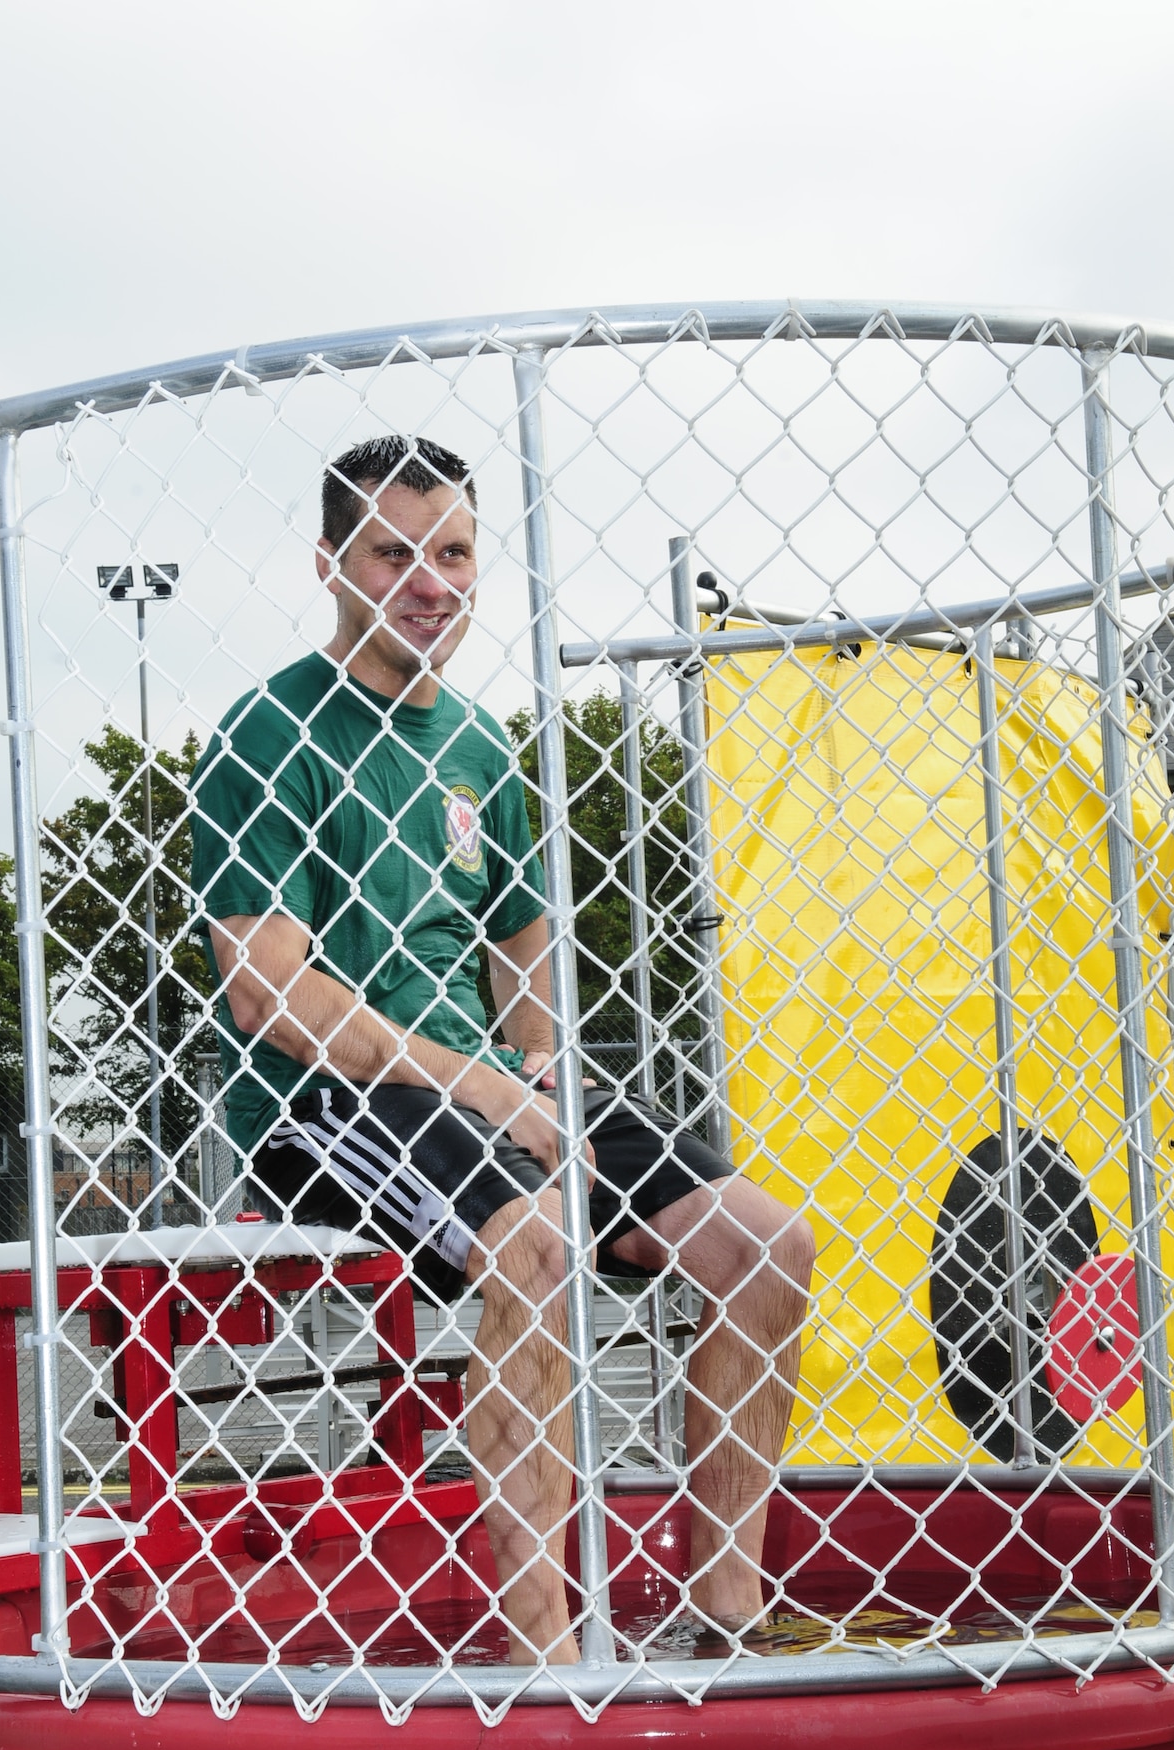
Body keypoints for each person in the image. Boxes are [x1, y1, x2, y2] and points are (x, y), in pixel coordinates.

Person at [191, 434, 814, 1665]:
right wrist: (478, 1080)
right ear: (330, 564)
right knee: (531, 1238)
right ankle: (544, 1651)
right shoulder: (267, 730)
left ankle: (724, 1616)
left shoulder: (483, 746)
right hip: (321, 1105)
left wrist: (530, 1066)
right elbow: (267, 992)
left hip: (479, 1095)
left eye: (454, 552)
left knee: (762, 1241)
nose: (429, 580)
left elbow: (522, 948)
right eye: (393, 552)